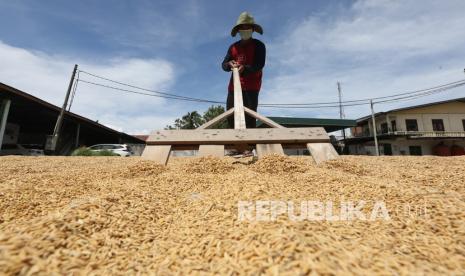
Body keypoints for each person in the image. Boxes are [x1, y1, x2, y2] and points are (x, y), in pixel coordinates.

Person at [222, 11, 266, 129]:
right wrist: (229, 64)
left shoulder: (259, 46)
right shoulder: (233, 47)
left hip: (251, 87)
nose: (245, 30)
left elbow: (259, 64)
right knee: (231, 116)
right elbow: (223, 65)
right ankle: (233, 146)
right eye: (243, 28)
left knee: (249, 117)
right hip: (233, 88)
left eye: (248, 27)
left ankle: (250, 147)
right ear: (238, 30)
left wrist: (244, 68)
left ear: (252, 29)